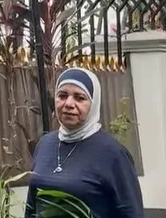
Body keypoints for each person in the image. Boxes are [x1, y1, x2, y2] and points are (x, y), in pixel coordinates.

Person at [25, 67, 144, 218]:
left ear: (93, 104)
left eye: (79, 98)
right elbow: (31, 207)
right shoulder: (44, 145)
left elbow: (131, 213)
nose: (69, 103)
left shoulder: (113, 154)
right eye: (62, 96)